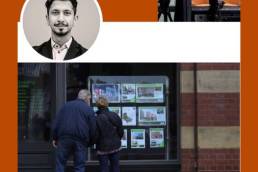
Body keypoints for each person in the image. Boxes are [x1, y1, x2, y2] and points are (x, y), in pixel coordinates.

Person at [52, 89, 96, 172]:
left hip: (64, 138)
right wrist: (90, 142)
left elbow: (56, 123)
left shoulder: (65, 106)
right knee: (79, 165)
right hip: (81, 139)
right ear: (86, 98)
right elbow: (93, 128)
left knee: (60, 163)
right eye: (89, 99)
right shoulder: (88, 109)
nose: (89, 101)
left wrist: (55, 138)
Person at [95, 96, 124, 172]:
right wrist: (117, 139)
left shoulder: (96, 118)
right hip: (115, 146)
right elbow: (121, 131)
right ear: (107, 104)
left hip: (102, 147)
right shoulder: (114, 115)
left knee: (104, 168)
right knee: (115, 167)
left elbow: (95, 134)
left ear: (97, 105)